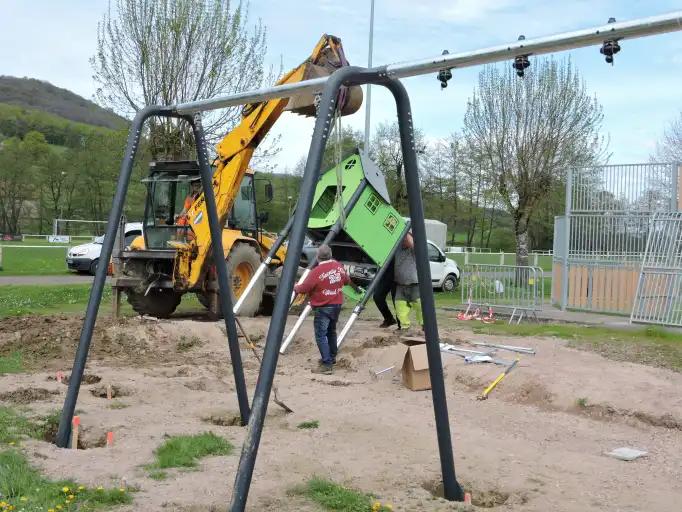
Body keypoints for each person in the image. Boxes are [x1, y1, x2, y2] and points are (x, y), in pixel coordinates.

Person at [294, 244, 359, 375]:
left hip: (323, 306)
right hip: (336, 305)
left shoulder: (316, 272)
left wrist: (295, 287)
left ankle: (326, 364)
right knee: (331, 332)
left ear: (318, 257)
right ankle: (332, 357)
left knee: (320, 335)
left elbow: (304, 288)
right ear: (330, 255)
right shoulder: (338, 267)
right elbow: (346, 281)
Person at [394, 232, 423, 334]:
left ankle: (425, 326)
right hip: (400, 284)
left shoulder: (414, 250)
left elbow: (412, 243)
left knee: (420, 307)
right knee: (400, 307)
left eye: (405, 239)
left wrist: (405, 231)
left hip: (414, 284)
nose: (403, 241)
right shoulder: (397, 249)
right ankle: (404, 327)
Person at [373, 257, 400, 329]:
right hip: (386, 270)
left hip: (399, 270)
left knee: (397, 300)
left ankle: (401, 324)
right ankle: (389, 319)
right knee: (377, 296)